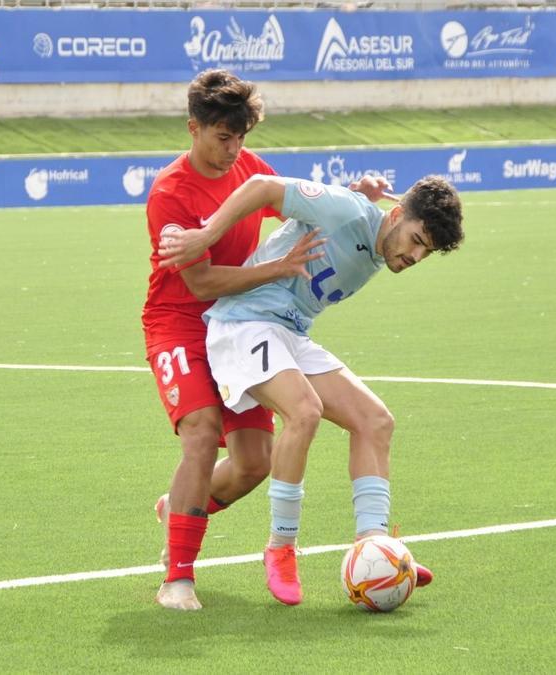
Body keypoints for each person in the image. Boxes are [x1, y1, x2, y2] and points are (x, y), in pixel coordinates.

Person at [144, 69, 392, 611]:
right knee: (202, 435)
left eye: (241, 138)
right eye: (222, 138)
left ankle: (181, 508)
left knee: (254, 463)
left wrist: (356, 196)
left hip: (244, 318)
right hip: (179, 324)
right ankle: (177, 577)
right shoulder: (169, 193)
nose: (233, 151)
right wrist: (278, 269)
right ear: (194, 128)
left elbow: (306, 207)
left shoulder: (250, 169)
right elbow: (201, 281)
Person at [158, 174, 463, 605]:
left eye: (425, 251)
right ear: (396, 215)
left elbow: (353, 222)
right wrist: (206, 235)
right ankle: (280, 548)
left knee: (376, 422)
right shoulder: (347, 210)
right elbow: (263, 185)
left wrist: (359, 195)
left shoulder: (378, 235)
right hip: (244, 323)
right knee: (304, 411)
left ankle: (376, 550)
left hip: (289, 331)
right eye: (415, 239)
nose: (415, 255)